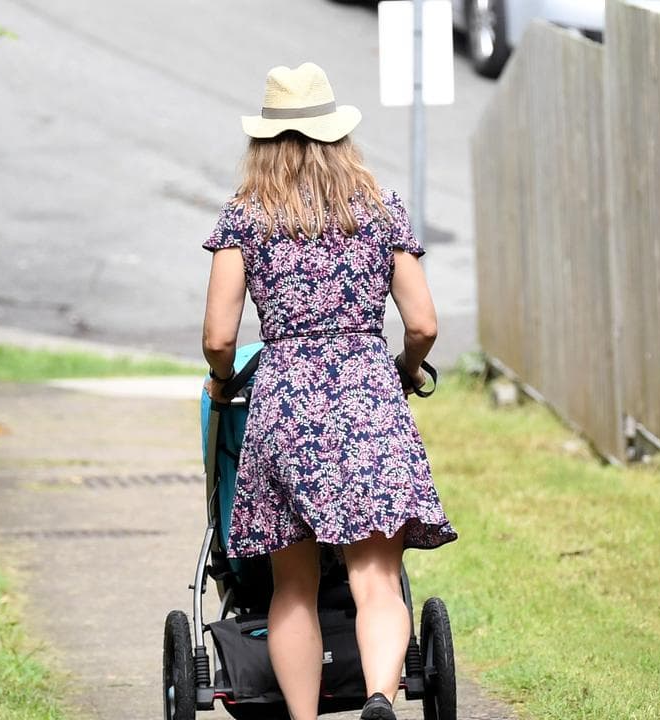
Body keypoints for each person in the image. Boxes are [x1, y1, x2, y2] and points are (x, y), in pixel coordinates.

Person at [200, 62, 457, 720]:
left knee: (293, 585)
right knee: (375, 578)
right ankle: (377, 695)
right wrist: (404, 367)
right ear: (337, 137)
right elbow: (424, 323)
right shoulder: (378, 211)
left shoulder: (245, 219)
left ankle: (305, 717)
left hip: (285, 404)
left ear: (264, 142)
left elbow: (219, 338)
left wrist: (224, 383)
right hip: (368, 394)